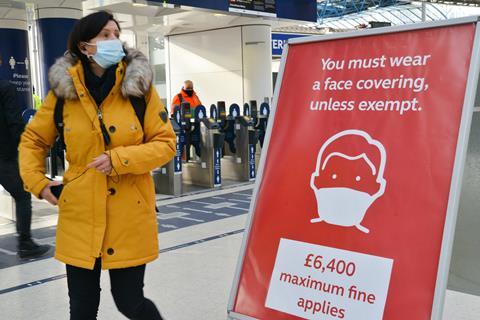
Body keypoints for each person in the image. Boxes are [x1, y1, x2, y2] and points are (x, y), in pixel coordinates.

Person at [19, 11, 176, 320]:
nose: (113, 40)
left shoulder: (139, 88)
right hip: (80, 214)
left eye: (116, 33)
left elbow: (166, 143)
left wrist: (118, 160)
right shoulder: (63, 94)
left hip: (129, 215)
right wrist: (38, 182)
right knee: (81, 308)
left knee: (130, 302)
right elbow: (33, 140)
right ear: (84, 46)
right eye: (105, 35)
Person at [0, 79, 50, 259]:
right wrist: (24, 149)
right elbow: (14, 121)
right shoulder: (5, 87)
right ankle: (25, 243)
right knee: (22, 195)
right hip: (5, 156)